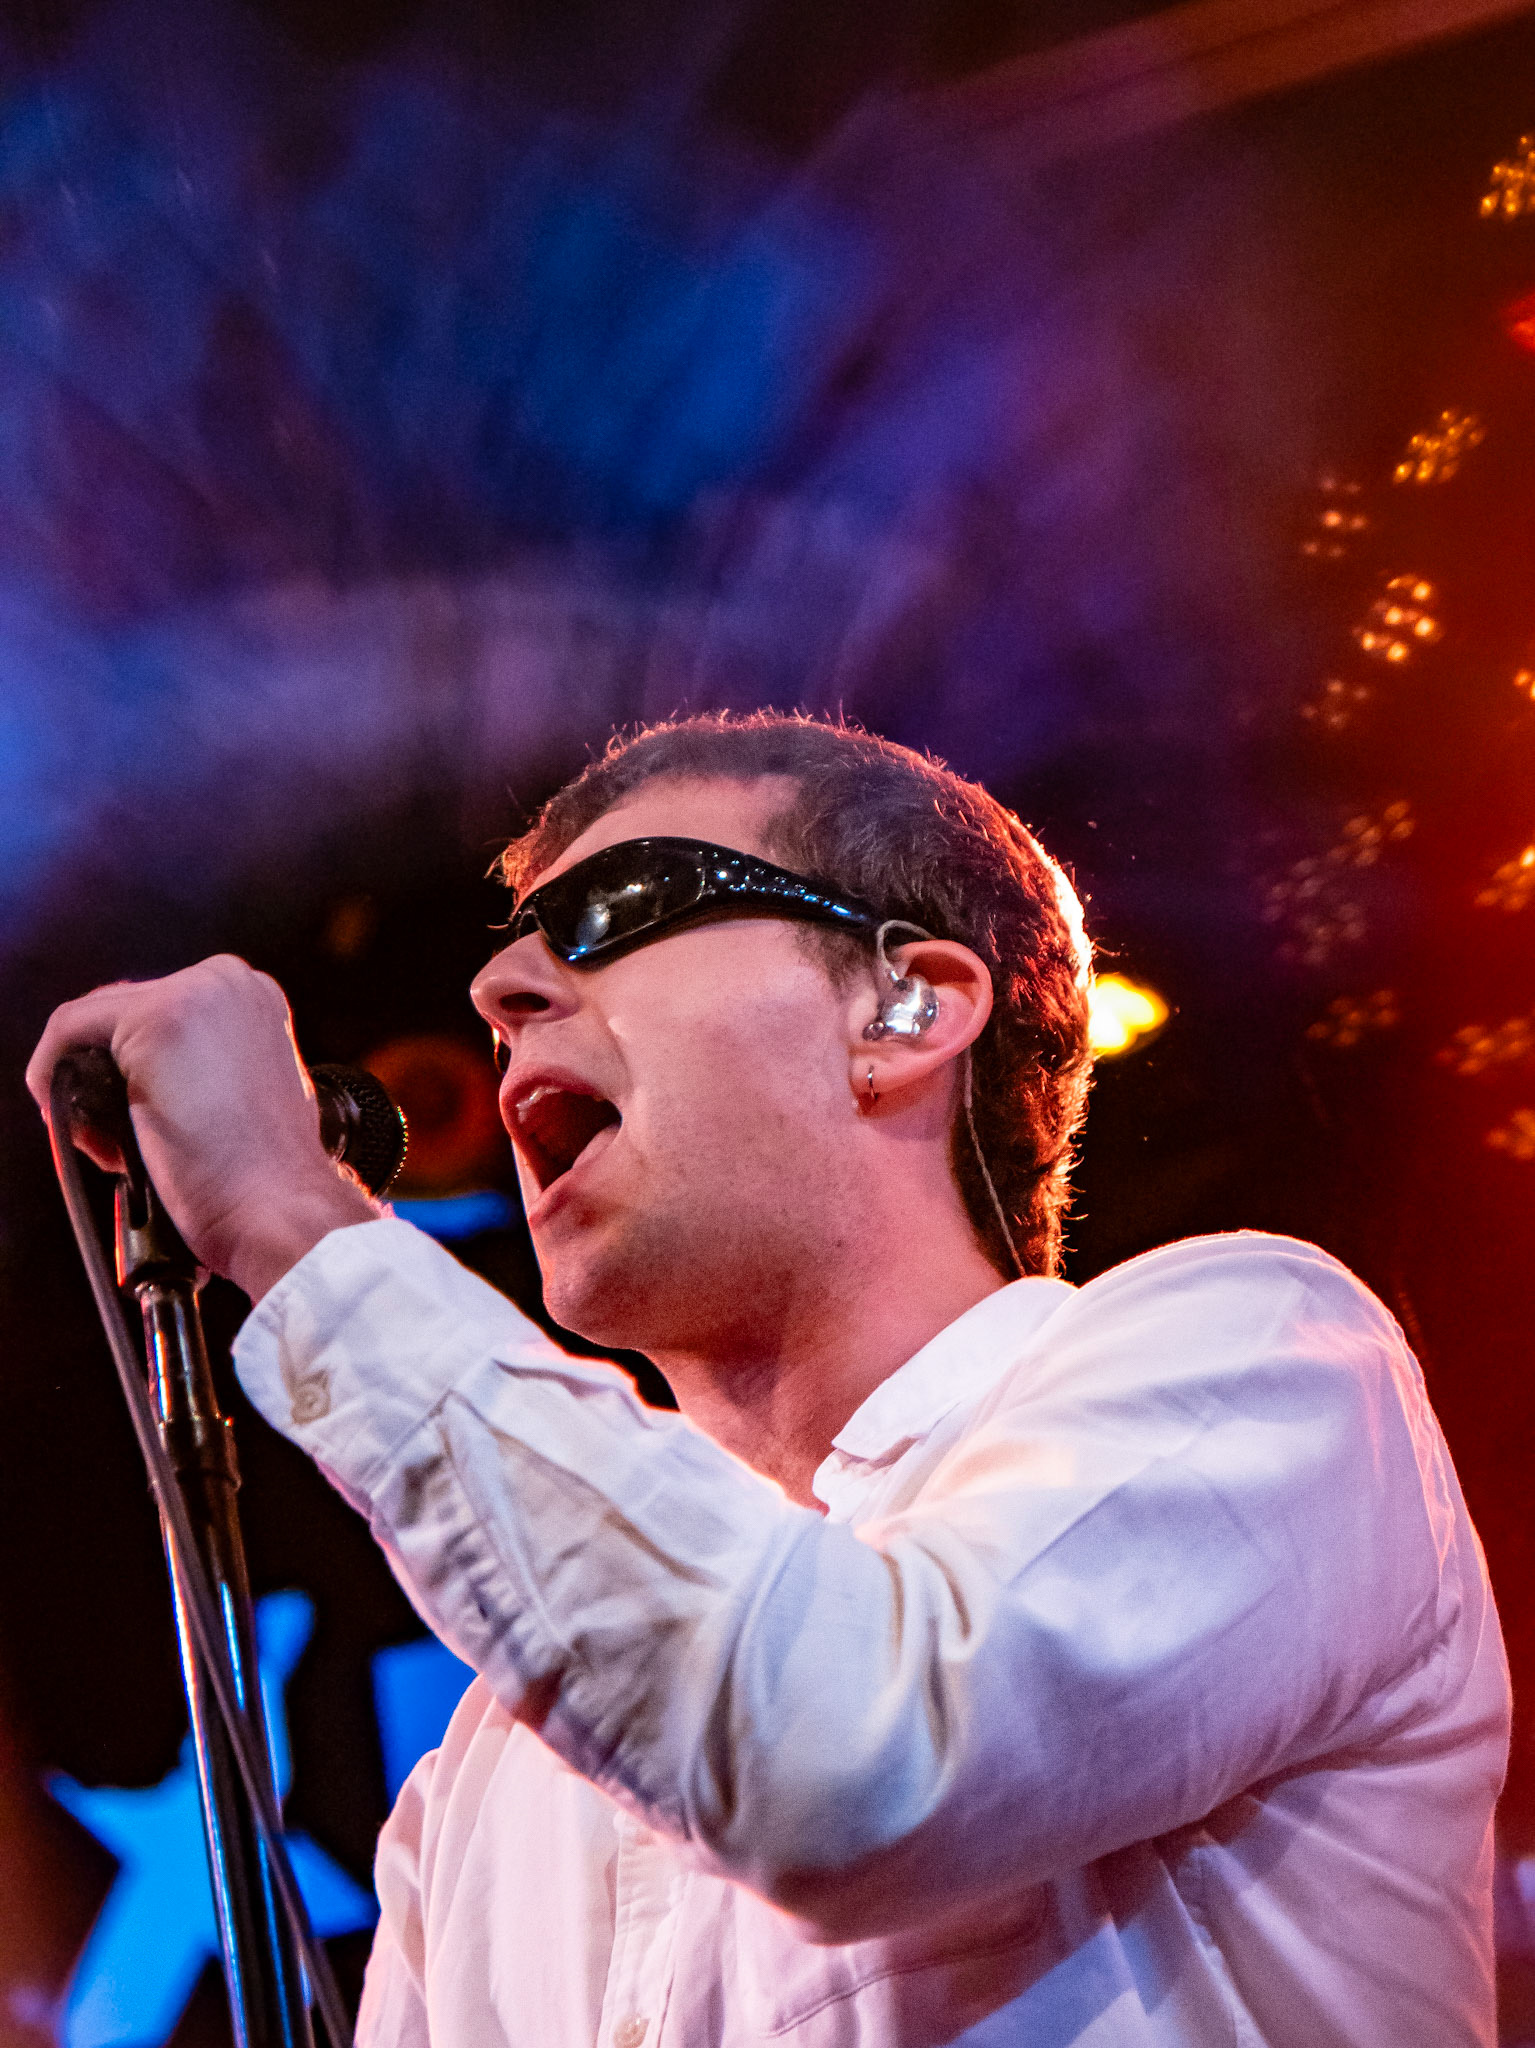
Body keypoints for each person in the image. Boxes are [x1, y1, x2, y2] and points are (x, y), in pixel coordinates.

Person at [29, 713, 1508, 2047]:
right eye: (511, 959)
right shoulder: (488, 1782)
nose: (498, 989)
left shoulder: (1262, 1358)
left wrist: (295, 1222)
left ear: (906, 1009)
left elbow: (857, 1760)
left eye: (616, 913)